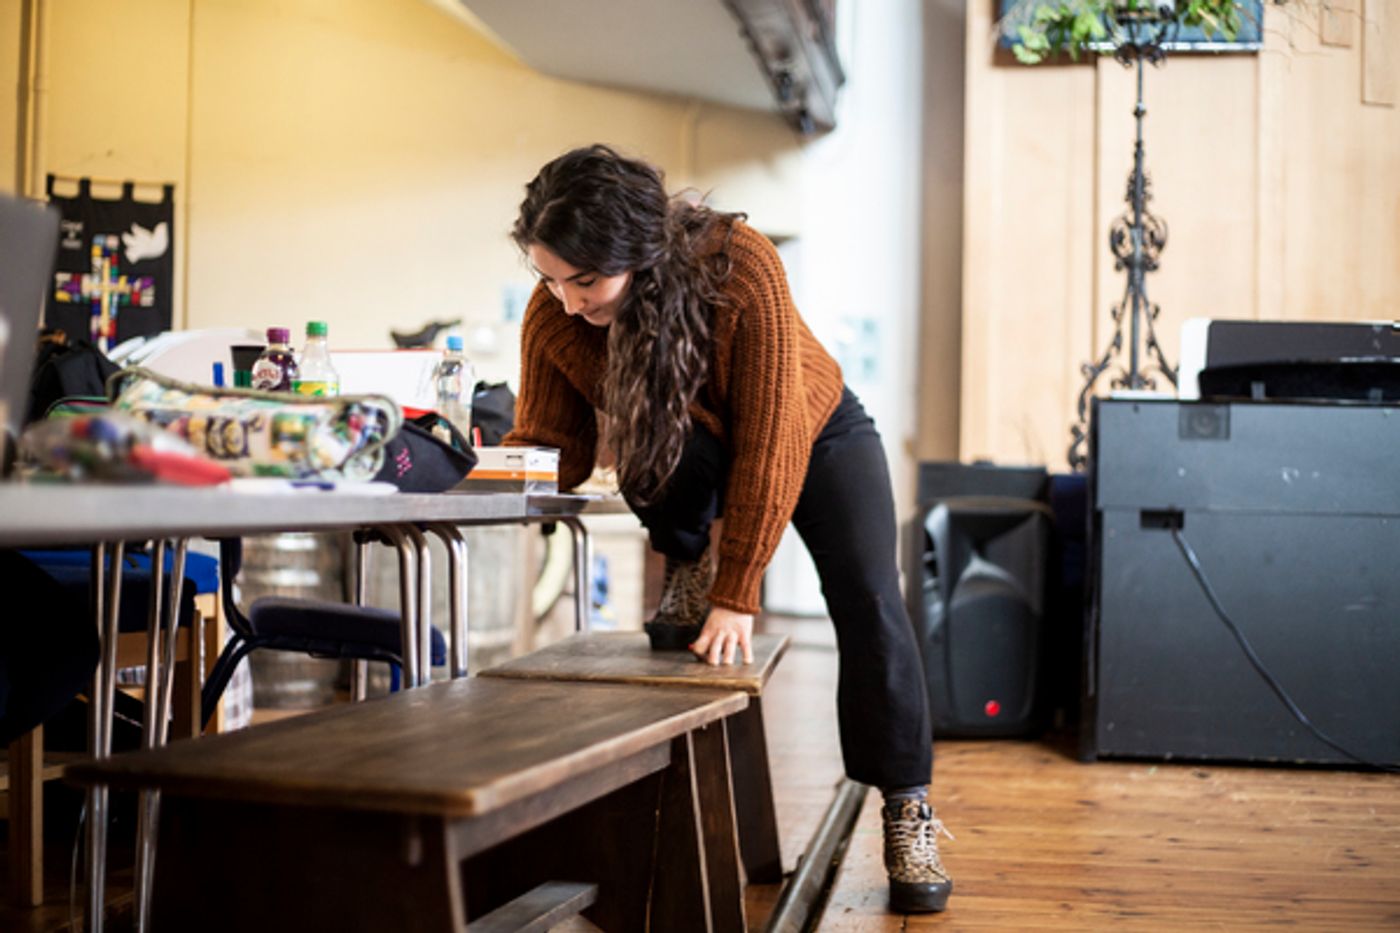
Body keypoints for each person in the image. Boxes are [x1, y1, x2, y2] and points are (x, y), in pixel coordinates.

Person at [503, 144, 952, 914]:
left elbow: (772, 442)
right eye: (548, 278)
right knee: (650, 432)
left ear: (640, 252)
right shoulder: (559, 314)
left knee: (871, 599)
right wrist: (474, 467)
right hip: (702, 438)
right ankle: (686, 564)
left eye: (585, 280)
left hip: (813, 427)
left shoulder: (740, 265)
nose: (568, 301)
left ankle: (907, 807)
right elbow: (558, 448)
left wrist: (739, 588)